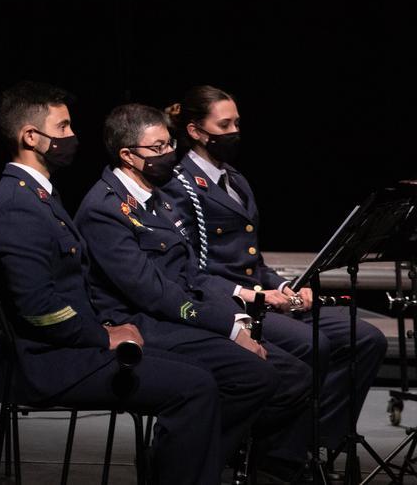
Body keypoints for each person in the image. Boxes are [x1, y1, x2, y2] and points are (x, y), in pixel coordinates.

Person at [0, 82, 224, 485]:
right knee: (195, 387)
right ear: (30, 137)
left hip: (69, 348)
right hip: (49, 363)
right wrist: (102, 336)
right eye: (63, 128)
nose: (73, 136)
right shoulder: (17, 206)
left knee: (202, 369)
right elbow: (40, 310)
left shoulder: (38, 195)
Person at [75, 103, 311, 476]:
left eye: (169, 144)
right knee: (256, 376)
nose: (169, 154)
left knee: (295, 375)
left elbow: (192, 276)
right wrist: (228, 328)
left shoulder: (161, 199)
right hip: (141, 325)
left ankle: (211, 461)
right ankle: (181, 466)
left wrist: (235, 315)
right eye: (157, 148)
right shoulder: (104, 210)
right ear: (127, 156)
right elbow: (152, 293)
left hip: (180, 315)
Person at [161, 85, 386, 461]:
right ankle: (276, 452)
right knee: (314, 344)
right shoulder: (178, 184)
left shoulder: (234, 178)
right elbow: (190, 270)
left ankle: (311, 441)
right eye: (224, 124)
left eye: (237, 122)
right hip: (227, 302)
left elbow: (252, 258)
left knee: (365, 337)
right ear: (197, 131)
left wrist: (283, 285)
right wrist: (256, 296)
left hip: (263, 296)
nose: (234, 131)